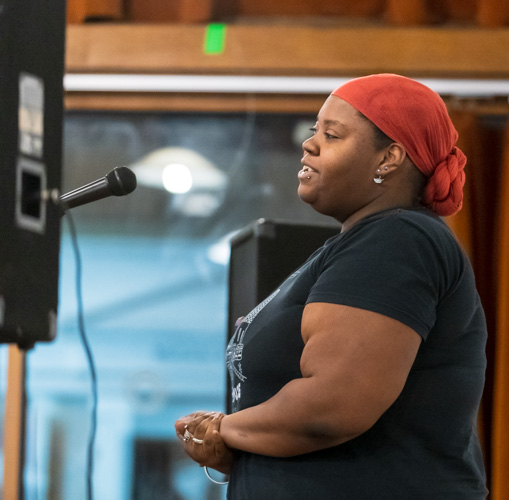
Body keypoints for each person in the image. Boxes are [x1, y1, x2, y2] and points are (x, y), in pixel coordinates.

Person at [175, 73, 488, 499]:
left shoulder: (399, 238)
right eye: (313, 131)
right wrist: (236, 447)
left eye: (332, 134)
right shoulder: (356, 246)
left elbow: (333, 406)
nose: (309, 144)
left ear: (390, 157)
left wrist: (226, 429)